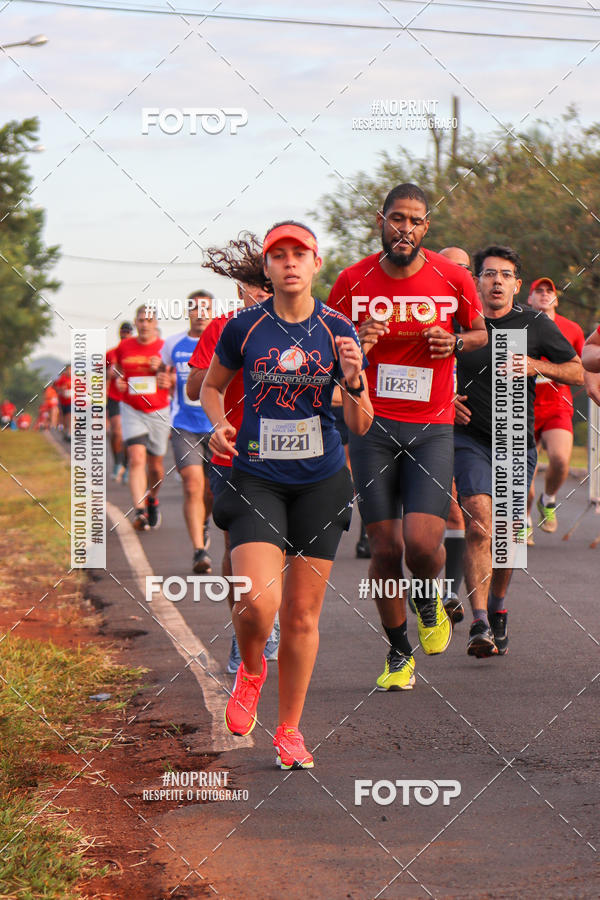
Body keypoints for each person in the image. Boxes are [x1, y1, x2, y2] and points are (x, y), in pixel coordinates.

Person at [201, 220, 373, 769]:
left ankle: (290, 731)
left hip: (321, 483)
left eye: (301, 253)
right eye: (280, 255)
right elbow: (208, 386)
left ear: (316, 263)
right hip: (256, 476)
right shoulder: (244, 328)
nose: (291, 262)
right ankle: (251, 671)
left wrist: (355, 381)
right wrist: (216, 423)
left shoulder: (339, 330)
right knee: (257, 600)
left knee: (300, 617)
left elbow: (362, 425)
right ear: (268, 268)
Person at [328, 183, 487, 691]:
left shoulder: (453, 276)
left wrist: (457, 340)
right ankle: (399, 652)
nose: (406, 229)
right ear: (382, 220)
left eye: (416, 221)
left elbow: (483, 332)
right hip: (370, 424)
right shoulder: (352, 280)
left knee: (422, 545)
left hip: (431, 425)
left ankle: (429, 597)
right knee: (384, 548)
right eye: (398, 218)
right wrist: (355, 344)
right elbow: (325, 352)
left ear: (427, 227)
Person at [454, 246, 583, 658]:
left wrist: (535, 365)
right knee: (477, 523)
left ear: (516, 285)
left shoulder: (533, 324)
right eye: (488, 273)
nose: (496, 281)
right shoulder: (461, 322)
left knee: (508, 539)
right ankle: (478, 623)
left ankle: (497, 607)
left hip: (513, 436)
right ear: (476, 280)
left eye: (505, 275)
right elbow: (427, 367)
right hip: (468, 437)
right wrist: (444, 400)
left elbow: (578, 369)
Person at [187, 233, 278, 672]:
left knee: (286, 548)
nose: (259, 293)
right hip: (235, 452)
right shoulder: (223, 328)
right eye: (251, 286)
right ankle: (245, 635)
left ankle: (271, 617)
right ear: (240, 289)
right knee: (236, 545)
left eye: (265, 285)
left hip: (291, 453)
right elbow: (194, 389)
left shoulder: (299, 327)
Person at [526, 278, 585, 539]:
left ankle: (547, 500)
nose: (544, 295)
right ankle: (524, 520)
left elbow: (583, 367)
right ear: (529, 299)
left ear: (556, 299)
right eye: (538, 291)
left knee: (561, 460)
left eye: (549, 291)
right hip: (523, 404)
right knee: (523, 471)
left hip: (557, 404)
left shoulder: (571, 329)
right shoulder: (519, 324)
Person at [162, 291, 215, 573]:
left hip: (218, 424)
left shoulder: (222, 339)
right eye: (195, 308)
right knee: (192, 484)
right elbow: (162, 371)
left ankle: (204, 522)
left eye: (206, 308)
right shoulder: (173, 344)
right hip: (185, 424)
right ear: (188, 311)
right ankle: (199, 551)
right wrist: (163, 378)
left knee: (211, 493)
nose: (201, 313)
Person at [437, 245, 474, 624]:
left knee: (464, 512)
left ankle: (456, 594)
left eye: (464, 268)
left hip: (474, 430)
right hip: (426, 424)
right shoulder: (425, 310)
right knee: (433, 514)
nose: (456, 273)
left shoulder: (480, 319)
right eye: (450, 266)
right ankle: (431, 590)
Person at [113, 305, 171, 531]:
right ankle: (139, 511)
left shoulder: (165, 347)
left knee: (156, 467)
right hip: (131, 408)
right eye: (141, 320)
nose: (145, 324)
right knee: (136, 458)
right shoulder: (125, 346)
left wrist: (165, 375)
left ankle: (152, 498)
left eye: (149, 320)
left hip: (158, 409)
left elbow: (177, 377)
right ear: (136, 323)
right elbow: (117, 369)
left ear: (155, 323)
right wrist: (118, 379)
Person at [106, 321, 133, 482]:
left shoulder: (136, 352)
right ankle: (118, 462)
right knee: (116, 432)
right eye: (123, 331)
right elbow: (103, 374)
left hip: (131, 398)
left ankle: (129, 465)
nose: (125, 334)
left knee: (130, 434)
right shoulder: (111, 354)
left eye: (128, 332)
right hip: (115, 397)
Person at [54, 365, 72, 440]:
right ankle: (66, 431)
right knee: (64, 417)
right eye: (68, 370)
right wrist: (61, 389)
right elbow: (56, 387)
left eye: (71, 370)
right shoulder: (62, 379)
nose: (69, 372)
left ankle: (70, 432)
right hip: (63, 401)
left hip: (72, 401)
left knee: (70, 415)